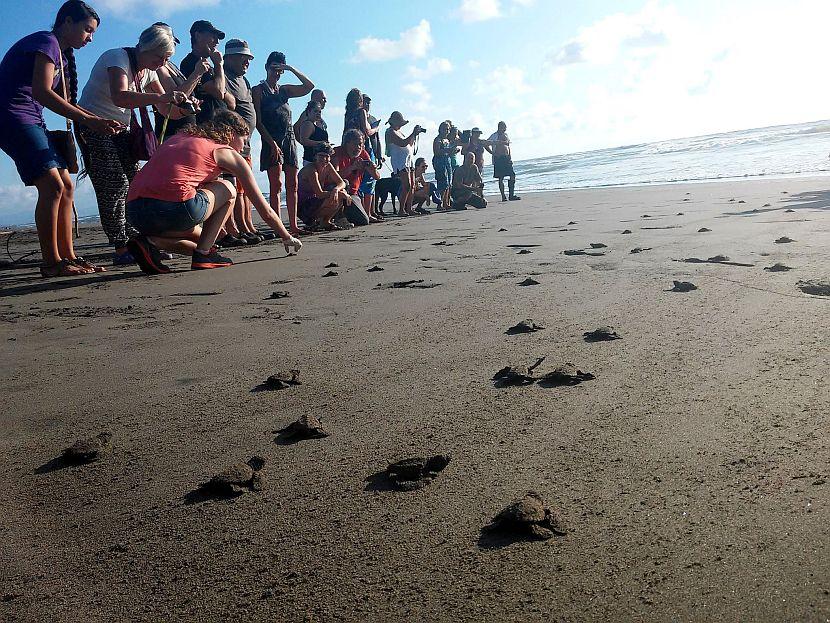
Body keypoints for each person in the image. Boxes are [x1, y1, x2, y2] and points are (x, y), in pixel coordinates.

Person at [0, 1, 122, 277]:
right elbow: (42, 92)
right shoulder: (47, 42)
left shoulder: (64, 54)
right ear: (67, 22)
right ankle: (51, 262)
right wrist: (89, 120)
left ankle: (68, 256)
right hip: (12, 116)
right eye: (87, 30)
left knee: (66, 185)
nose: (90, 38)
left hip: (33, 118)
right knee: (52, 185)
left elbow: (60, 100)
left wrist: (95, 119)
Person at [125, 110, 302, 275]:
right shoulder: (225, 151)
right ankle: (203, 254)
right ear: (232, 133)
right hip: (172, 209)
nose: (244, 147)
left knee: (199, 236)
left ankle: (150, 243)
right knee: (228, 188)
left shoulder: (179, 138)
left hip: (135, 212)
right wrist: (286, 237)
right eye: (244, 140)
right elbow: (265, 211)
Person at [77, 23, 189, 265]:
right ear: (145, 48)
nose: (162, 63)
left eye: (166, 58)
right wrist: (162, 96)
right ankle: (120, 246)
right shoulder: (117, 58)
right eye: (160, 57)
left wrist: (186, 107)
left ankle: (138, 241)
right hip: (93, 124)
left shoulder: (149, 70)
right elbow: (121, 96)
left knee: (135, 183)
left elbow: (166, 109)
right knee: (114, 184)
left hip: (121, 129)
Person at [252, 51, 314, 236]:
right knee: (276, 185)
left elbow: (309, 86)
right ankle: (278, 226)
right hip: (271, 139)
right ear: (266, 67)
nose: (276, 73)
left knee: (292, 184)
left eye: (280, 70)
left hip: (289, 139)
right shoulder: (258, 90)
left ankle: (293, 226)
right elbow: (258, 121)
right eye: (274, 68)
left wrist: (290, 68)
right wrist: (271, 143)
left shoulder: (284, 90)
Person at [219, 38, 271, 246]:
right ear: (229, 57)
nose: (247, 62)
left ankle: (247, 225)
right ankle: (232, 228)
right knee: (232, 188)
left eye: (249, 58)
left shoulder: (244, 81)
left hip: (246, 142)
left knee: (245, 188)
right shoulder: (224, 76)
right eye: (243, 58)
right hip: (231, 142)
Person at [152, 22, 208, 140]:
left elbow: (183, 95)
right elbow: (175, 98)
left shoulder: (171, 65)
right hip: (171, 133)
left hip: (186, 133)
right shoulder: (157, 66)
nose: (173, 46)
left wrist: (191, 100)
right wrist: (197, 73)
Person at [343, 89, 381, 221]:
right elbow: (367, 130)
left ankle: (363, 211)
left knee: (357, 179)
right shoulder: (361, 112)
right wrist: (376, 128)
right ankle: (368, 213)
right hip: (362, 146)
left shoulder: (348, 113)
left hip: (349, 148)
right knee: (369, 179)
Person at [179, 20, 226, 124]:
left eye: (218, 38)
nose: (217, 42)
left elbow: (231, 101)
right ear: (198, 36)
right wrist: (219, 65)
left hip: (219, 125)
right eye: (213, 36)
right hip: (206, 126)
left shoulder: (208, 66)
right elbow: (219, 92)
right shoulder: (190, 62)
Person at [297, 142, 349, 231]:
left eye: (327, 156)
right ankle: (312, 222)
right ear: (315, 156)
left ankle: (325, 221)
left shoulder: (328, 166)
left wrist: (336, 190)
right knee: (340, 194)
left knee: (342, 188)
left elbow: (341, 182)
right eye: (321, 156)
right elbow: (320, 194)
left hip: (315, 201)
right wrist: (339, 193)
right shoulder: (311, 170)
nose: (325, 159)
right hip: (303, 207)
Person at [332, 128, 378, 226]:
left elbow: (377, 177)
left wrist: (372, 168)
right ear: (347, 143)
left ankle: (346, 214)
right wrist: (352, 167)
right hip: (339, 190)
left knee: (363, 221)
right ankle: (339, 217)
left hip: (353, 194)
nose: (358, 147)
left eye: (361, 144)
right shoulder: (337, 152)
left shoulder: (363, 153)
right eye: (355, 144)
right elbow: (334, 176)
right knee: (344, 182)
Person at [384, 111, 423, 217]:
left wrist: (414, 135)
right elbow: (402, 143)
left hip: (408, 160)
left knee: (412, 185)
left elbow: (409, 143)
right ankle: (402, 209)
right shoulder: (390, 132)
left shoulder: (399, 132)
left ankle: (409, 208)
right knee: (407, 185)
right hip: (399, 161)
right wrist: (413, 133)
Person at [489, 121, 521, 202]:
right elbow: (486, 143)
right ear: (500, 127)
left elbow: (508, 147)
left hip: (506, 158)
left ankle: (511, 195)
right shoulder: (494, 136)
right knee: (501, 177)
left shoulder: (506, 135)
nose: (505, 129)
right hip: (498, 158)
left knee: (512, 175)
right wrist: (493, 153)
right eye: (504, 127)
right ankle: (503, 196)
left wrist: (510, 157)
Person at [296, 101, 328, 166]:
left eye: (319, 112)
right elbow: (304, 141)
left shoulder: (317, 125)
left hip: (320, 160)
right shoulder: (308, 124)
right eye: (315, 111)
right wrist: (321, 143)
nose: (318, 113)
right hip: (311, 161)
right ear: (309, 112)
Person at [432, 121, 453, 210]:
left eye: (448, 129)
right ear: (440, 130)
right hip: (440, 162)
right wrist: (448, 150)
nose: (447, 131)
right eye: (445, 129)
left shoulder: (447, 140)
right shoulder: (437, 140)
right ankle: (439, 203)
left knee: (448, 183)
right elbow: (437, 152)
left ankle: (446, 202)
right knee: (442, 183)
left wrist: (452, 151)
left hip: (447, 161)